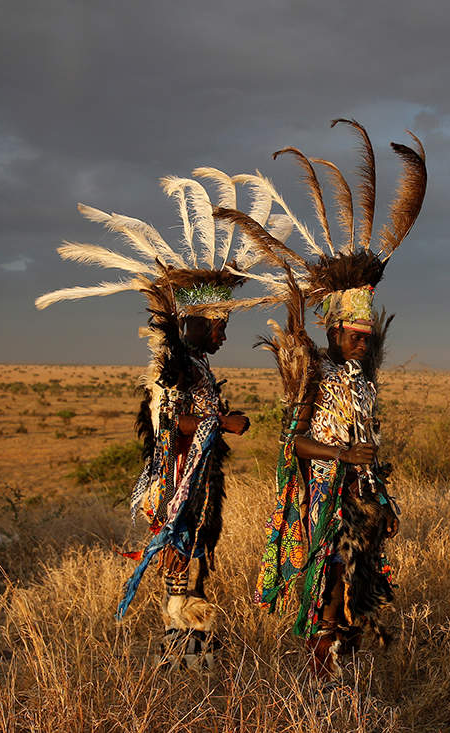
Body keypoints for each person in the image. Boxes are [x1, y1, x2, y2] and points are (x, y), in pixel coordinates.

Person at [36, 169, 277, 669]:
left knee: (196, 552)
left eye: (224, 327)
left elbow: (194, 416)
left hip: (197, 477)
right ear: (190, 322)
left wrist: (219, 420)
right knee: (178, 554)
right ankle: (180, 641)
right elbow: (172, 425)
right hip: (174, 481)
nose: (223, 337)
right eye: (217, 327)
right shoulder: (172, 365)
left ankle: (189, 642)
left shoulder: (196, 365)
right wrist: (222, 424)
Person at [214, 118, 427, 680]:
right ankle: (320, 668)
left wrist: (381, 498)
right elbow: (296, 442)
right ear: (333, 333)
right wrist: (342, 459)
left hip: (359, 496)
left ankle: (340, 664)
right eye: (352, 336)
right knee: (329, 583)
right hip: (325, 499)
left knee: (360, 584)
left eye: (366, 336)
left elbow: (368, 442)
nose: (361, 342)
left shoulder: (363, 381)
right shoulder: (316, 376)